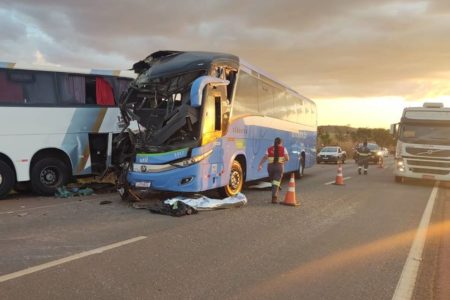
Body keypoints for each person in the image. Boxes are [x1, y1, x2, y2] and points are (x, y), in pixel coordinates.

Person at [258, 137, 290, 203]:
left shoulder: (269, 149)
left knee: (273, 181)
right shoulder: (283, 149)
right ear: (281, 143)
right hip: (279, 167)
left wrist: (260, 164)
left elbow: (265, 157)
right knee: (276, 182)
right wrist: (282, 161)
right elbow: (287, 158)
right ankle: (274, 197)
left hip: (270, 167)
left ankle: (275, 189)